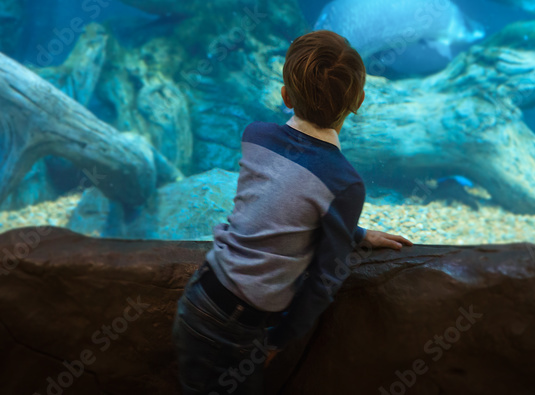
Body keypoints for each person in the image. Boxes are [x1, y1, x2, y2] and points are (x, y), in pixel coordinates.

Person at [172, 30, 412, 394]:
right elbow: (326, 278)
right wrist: (280, 340)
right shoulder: (344, 182)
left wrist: (358, 234)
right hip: (238, 327)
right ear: (359, 101)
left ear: (285, 95)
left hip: (199, 295)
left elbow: (281, 205)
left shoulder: (256, 136)